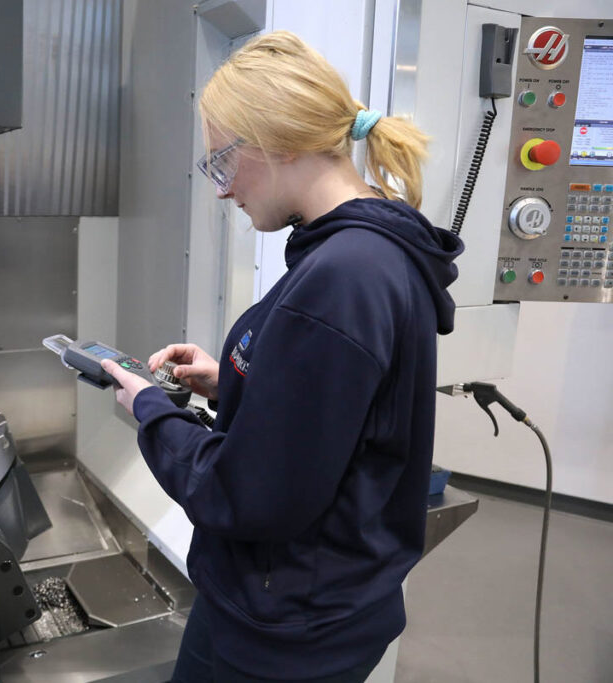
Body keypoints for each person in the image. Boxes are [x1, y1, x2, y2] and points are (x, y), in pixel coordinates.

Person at [99, 31, 463, 682]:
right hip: (274, 598)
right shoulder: (365, 249)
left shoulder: (341, 278)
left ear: (283, 140)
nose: (218, 189)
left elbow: (246, 494)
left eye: (221, 162)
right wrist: (231, 378)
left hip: (290, 626)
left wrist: (150, 409)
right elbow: (334, 412)